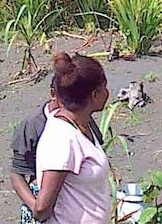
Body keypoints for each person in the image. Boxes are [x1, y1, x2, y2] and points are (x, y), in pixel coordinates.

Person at [22, 53, 112, 223]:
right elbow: (42, 208)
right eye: (104, 87)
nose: (108, 93)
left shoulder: (80, 126)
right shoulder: (62, 138)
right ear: (94, 95)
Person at [9, 79, 102, 223]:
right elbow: (17, 174)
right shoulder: (33, 125)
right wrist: (37, 208)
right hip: (42, 199)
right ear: (53, 94)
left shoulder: (83, 120)